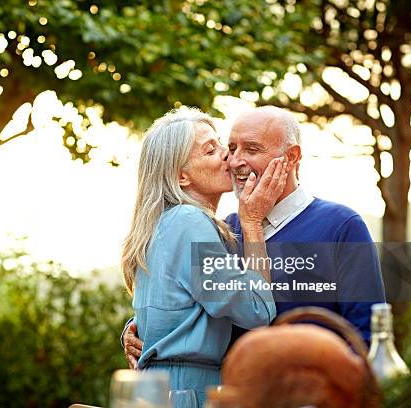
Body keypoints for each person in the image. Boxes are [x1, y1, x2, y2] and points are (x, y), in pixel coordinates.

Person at [123, 106, 385, 368]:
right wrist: (136, 328)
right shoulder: (224, 232)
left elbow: (366, 335)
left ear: (291, 156)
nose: (235, 161)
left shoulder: (341, 226)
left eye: (251, 149)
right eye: (233, 148)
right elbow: (187, 302)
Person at [121, 107, 287, 406]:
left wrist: (133, 329)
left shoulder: (165, 223)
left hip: (157, 389)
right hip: (186, 392)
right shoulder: (190, 222)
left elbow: (169, 307)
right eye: (211, 150)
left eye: (221, 144)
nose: (228, 155)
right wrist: (252, 224)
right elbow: (257, 311)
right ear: (181, 176)